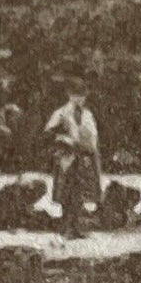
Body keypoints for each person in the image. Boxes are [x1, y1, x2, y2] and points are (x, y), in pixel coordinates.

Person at [44, 83, 102, 238]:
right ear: (70, 95)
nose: (80, 99)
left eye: (83, 96)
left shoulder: (87, 114)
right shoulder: (62, 113)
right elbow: (48, 133)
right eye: (77, 95)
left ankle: (76, 227)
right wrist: (62, 139)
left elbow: (92, 136)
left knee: (80, 193)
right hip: (67, 157)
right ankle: (67, 227)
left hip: (85, 157)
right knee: (67, 193)